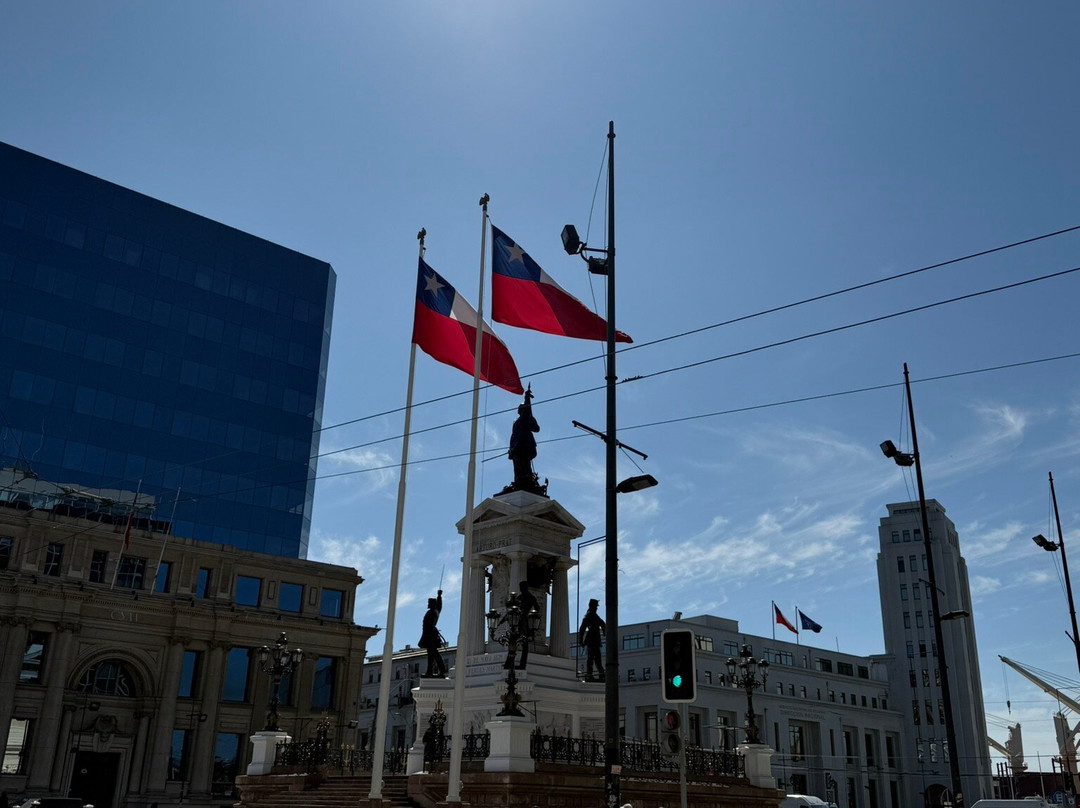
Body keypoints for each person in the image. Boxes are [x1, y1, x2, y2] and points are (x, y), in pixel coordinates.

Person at [508, 387, 539, 491]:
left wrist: (527, 398)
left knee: (525, 465)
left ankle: (526, 481)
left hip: (525, 446)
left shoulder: (527, 419)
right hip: (516, 448)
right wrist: (511, 448)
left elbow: (536, 428)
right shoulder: (516, 422)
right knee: (517, 467)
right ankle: (518, 481)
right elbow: (514, 436)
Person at [418, 589, 447, 677]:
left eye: (429, 603)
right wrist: (439, 596)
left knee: (434, 654)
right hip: (429, 636)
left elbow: (430, 625)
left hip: (430, 636)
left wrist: (439, 596)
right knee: (431, 655)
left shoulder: (433, 612)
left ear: (432, 604)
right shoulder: (435, 610)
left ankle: (441, 670)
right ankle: (430, 671)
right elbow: (440, 606)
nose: (428, 604)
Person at [578, 598, 606, 681]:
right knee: (592, 659)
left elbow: (602, 623)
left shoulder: (593, 614)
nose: (597, 608)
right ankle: (593, 674)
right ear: (592, 606)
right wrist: (580, 640)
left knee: (596, 658)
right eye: (596, 606)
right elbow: (582, 629)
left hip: (595, 640)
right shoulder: (590, 615)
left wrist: (604, 631)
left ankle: (599, 674)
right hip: (592, 640)